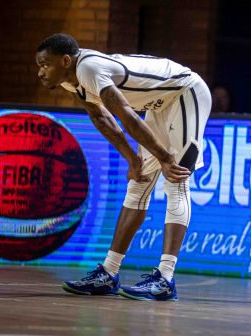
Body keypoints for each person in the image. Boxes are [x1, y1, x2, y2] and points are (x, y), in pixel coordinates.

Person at [35, 34, 211, 301]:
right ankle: (109, 273)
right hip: (160, 103)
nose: (40, 72)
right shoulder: (71, 80)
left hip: (185, 92)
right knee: (138, 184)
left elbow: (126, 114)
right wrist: (132, 159)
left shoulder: (88, 68)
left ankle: (165, 279)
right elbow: (101, 116)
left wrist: (164, 158)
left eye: (45, 64)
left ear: (65, 61)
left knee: (176, 181)